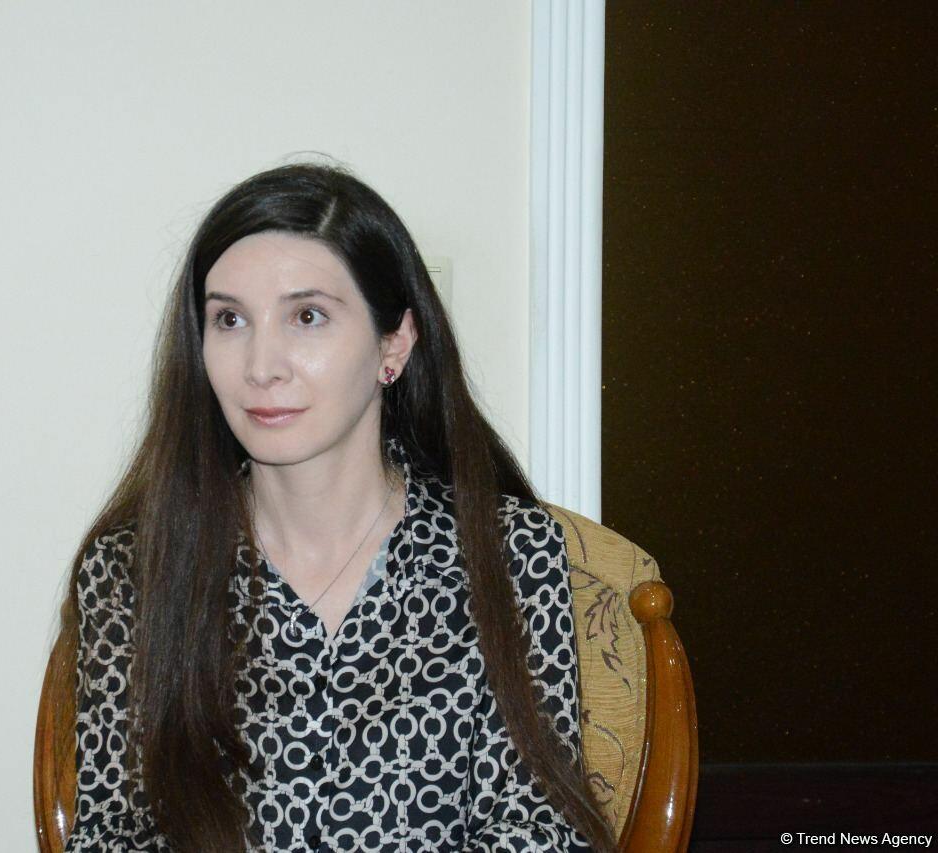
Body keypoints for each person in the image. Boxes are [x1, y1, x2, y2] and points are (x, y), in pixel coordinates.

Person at [46, 160, 615, 852]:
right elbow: (112, 836)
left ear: (393, 343)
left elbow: (540, 828)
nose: (262, 366)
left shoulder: (508, 553)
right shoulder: (133, 571)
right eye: (229, 319)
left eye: (307, 316)